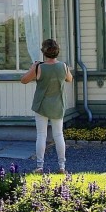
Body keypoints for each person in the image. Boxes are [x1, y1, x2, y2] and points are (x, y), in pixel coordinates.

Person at [20, 38, 73, 174]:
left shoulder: (39, 67)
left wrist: (33, 67)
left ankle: (39, 167)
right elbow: (69, 79)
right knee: (59, 135)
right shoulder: (63, 66)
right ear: (57, 52)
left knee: (41, 135)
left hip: (41, 104)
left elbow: (24, 80)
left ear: (44, 52)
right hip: (58, 104)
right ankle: (62, 167)